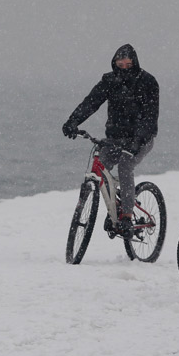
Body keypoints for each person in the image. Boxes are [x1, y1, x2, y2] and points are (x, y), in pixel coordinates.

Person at [62, 44, 159, 238]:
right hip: (115, 138)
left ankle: (126, 215)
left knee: (125, 165)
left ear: (135, 63)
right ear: (114, 63)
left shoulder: (147, 82)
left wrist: (137, 140)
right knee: (100, 168)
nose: (124, 67)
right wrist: (73, 121)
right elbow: (91, 102)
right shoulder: (109, 80)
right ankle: (113, 207)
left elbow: (150, 117)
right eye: (120, 63)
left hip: (141, 139)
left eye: (128, 64)